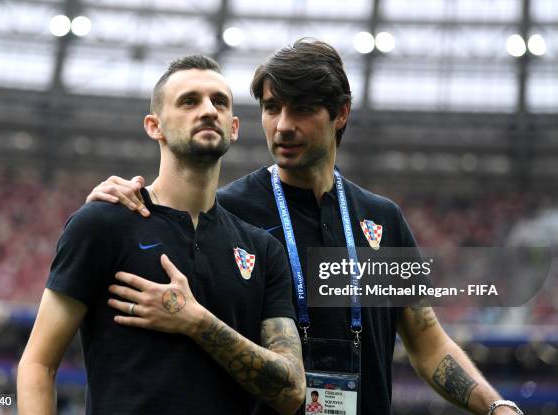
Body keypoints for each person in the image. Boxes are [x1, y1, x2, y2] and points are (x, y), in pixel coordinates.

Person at [86, 39, 524, 415]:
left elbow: (427, 341)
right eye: (272, 108)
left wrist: (496, 405)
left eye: (302, 109)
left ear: (340, 114)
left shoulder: (380, 220)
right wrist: (119, 196)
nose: (283, 126)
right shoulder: (228, 211)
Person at [17, 55, 306, 415]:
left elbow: (292, 391)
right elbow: (38, 365)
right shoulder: (103, 223)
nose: (207, 110)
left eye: (219, 101)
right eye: (189, 101)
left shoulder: (263, 250)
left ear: (233, 128)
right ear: (155, 126)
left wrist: (196, 321)